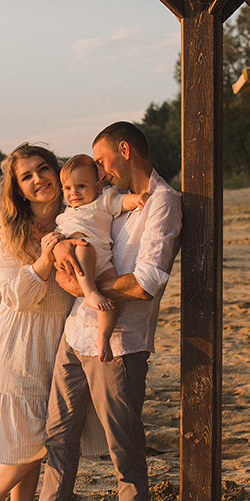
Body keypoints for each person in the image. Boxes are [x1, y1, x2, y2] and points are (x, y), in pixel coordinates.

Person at [0, 121, 182, 501]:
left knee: (125, 454)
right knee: (58, 439)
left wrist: (87, 285)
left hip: (119, 349)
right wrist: (73, 275)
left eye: (101, 162)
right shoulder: (107, 201)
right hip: (73, 338)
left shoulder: (163, 202)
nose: (98, 172)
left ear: (123, 151)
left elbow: (145, 284)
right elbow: (67, 268)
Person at [0, 143, 104, 501]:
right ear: (18, 188)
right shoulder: (10, 233)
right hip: (19, 342)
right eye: (27, 176)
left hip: (59, 339)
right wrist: (43, 260)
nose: (38, 179)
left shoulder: (73, 216)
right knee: (32, 439)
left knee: (39, 434)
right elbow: (16, 298)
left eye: (43, 169)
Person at [55, 153, 149, 363]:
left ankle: (103, 337)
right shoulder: (66, 212)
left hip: (102, 260)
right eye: (68, 188)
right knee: (83, 247)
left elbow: (122, 201)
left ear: (98, 187)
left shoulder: (103, 200)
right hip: (81, 259)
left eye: (81, 186)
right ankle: (89, 292)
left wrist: (138, 199)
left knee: (112, 299)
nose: (74, 193)